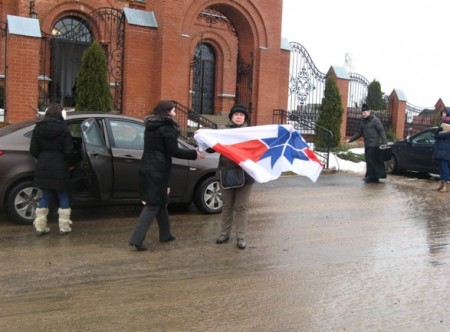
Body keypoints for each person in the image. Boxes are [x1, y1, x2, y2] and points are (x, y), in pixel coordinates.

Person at [128, 100, 205, 251]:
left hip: (147, 165)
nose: (175, 113)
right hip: (158, 168)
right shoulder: (167, 128)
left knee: (161, 202)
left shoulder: (151, 126)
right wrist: (194, 154)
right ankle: (136, 239)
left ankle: (165, 234)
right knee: (153, 204)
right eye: (173, 110)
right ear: (167, 112)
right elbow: (174, 151)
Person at [214, 104, 255, 249]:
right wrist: (203, 137)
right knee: (227, 206)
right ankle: (224, 234)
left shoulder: (251, 133)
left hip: (246, 175)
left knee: (242, 207)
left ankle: (241, 237)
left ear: (245, 118)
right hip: (226, 173)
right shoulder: (223, 132)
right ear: (231, 116)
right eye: (236, 114)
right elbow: (210, 148)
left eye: (242, 115)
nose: (239, 117)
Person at [30, 103, 74, 235]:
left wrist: (43, 156)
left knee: (46, 195)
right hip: (60, 166)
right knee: (63, 194)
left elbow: (33, 150)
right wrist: (70, 162)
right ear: (60, 114)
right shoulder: (64, 129)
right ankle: (64, 227)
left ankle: (40, 226)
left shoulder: (38, 129)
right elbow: (69, 151)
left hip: (43, 165)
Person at [346, 104, 387, 183]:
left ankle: (370, 177)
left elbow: (381, 131)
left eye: (365, 112)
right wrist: (350, 140)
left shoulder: (375, 120)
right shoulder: (363, 122)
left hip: (374, 144)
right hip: (367, 144)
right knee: (370, 160)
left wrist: (385, 142)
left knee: (370, 159)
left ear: (369, 112)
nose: (364, 114)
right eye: (362, 112)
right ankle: (375, 177)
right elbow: (359, 133)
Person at [432, 109, 450, 193]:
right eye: (442, 113)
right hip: (440, 148)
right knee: (441, 167)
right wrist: (438, 132)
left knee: (445, 167)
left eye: (444, 113)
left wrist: (439, 135)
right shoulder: (442, 124)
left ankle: (446, 186)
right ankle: (441, 184)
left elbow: (448, 135)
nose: (443, 114)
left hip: (446, 148)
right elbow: (435, 135)